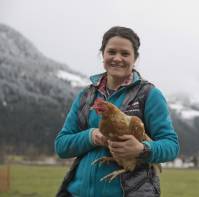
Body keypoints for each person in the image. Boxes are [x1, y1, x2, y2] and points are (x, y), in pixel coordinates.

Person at [55, 26, 179, 197]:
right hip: (77, 192)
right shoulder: (86, 96)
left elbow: (171, 145)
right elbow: (61, 146)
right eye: (111, 52)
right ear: (103, 55)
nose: (117, 58)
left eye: (125, 54)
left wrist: (142, 149)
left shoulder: (149, 95)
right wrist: (92, 136)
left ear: (135, 58)